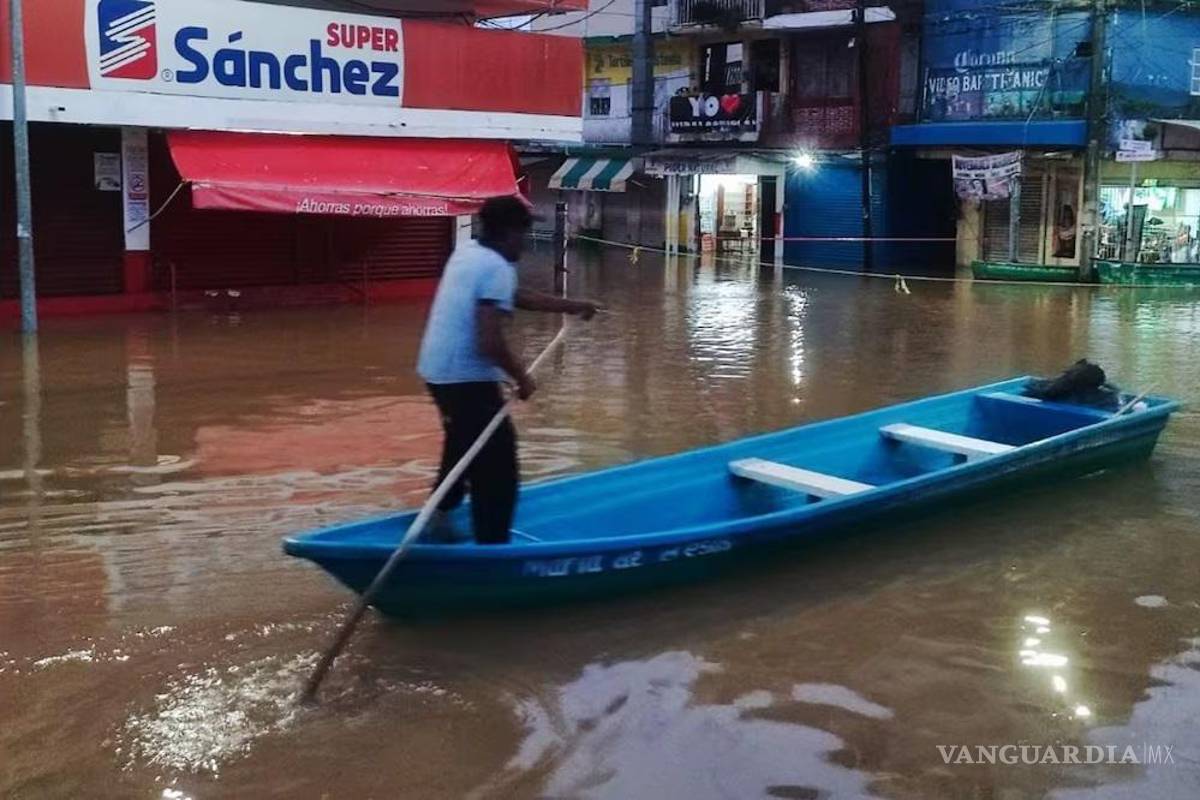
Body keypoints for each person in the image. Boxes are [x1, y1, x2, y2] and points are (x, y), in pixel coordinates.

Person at [416, 196, 599, 544]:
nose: (526, 243)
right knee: (498, 464)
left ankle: (438, 516)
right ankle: (493, 544)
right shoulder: (496, 267)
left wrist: (572, 306)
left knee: (464, 443)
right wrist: (523, 378)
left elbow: (515, 296)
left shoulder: (468, 252)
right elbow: (490, 341)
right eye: (524, 234)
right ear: (509, 233)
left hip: (436, 371)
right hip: (465, 378)